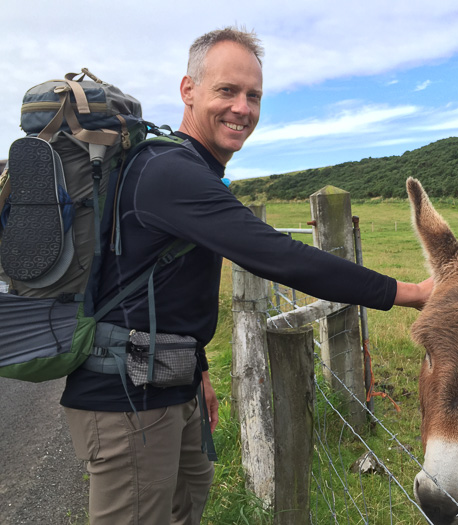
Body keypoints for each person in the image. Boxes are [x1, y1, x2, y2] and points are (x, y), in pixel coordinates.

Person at [60, 26, 432, 525]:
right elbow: (281, 257)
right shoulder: (170, 173)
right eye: (227, 91)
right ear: (188, 91)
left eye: (253, 96)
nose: (243, 108)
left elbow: (161, 283)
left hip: (167, 382)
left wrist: (199, 371)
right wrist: (410, 292)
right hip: (127, 401)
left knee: (188, 500)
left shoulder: (187, 168)